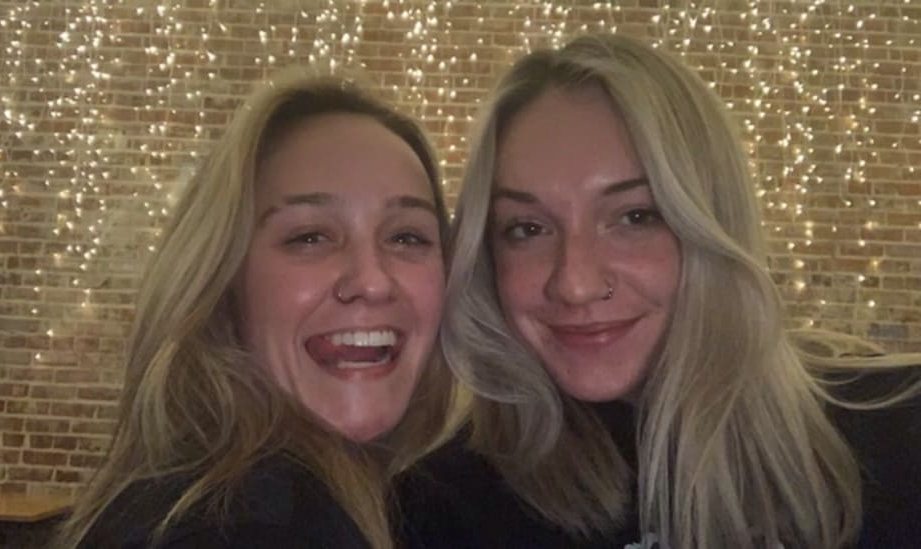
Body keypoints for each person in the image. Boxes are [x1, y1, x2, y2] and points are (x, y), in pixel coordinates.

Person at [397, 33, 921, 549]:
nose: (575, 284)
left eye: (635, 217)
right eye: (527, 228)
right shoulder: (441, 507)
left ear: (712, 223)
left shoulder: (900, 436)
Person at [58, 68, 454, 549]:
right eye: (310, 236)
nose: (372, 281)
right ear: (223, 280)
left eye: (407, 237)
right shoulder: (241, 527)